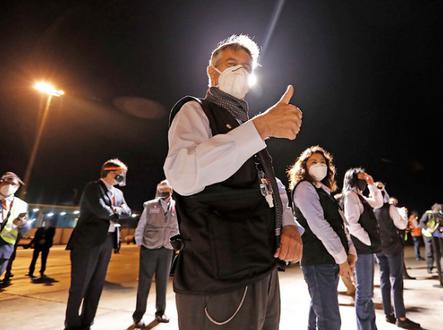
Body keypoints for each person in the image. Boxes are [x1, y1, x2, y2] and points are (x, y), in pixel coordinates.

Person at [163, 34, 303, 329]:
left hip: (261, 269)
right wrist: (261, 127)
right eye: (231, 64)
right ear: (212, 71)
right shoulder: (196, 111)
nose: (241, 71)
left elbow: (269, 183)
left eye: (247, 67)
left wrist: (289, 224)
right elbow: (183, 176)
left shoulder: (246, 128)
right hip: (219, 277)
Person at [288, 146, 357, 330]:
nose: (319, 165)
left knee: (319, 310)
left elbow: (340, 224)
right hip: (318, 261)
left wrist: (350, 250)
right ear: (304, 167)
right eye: (313, 162)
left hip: (329, 260)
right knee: (330, 320)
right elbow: (319, 226)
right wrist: (342, 258)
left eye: (322, 162)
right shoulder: (304, 188)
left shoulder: (324, 191)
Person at [64, 159, 132, 330]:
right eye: (121, 173)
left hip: (107, 242)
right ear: (111, 172)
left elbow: (128, 212)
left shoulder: (118, 193)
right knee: (80, 285)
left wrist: (115, 211)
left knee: (96, 284)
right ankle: (72, 324)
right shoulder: (93, 188)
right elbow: (101, 210)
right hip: (87, 243)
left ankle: (87, 322)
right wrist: (118, 211)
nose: (123, 177)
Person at [132, 180, 179, 328]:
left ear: (171, 190)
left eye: (167, 188)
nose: (164, 191)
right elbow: (141, 225)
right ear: (159, 189)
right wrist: (140, 242)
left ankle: (160, 312)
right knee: (144, 283)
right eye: (162, 188)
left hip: (166, 248)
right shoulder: (150, 205)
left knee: (162, 282)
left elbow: (177, 226)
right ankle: (138, 315)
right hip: (149, 247)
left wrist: (176, 244)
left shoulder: (176, 206)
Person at [373, 185, 421, 329]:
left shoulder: (370, 209)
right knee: (396, 281)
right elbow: (401, 225)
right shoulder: (390, 208)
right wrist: (403, 214)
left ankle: (388, 314)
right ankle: (401, 317)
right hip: (393, 248)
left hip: (379, 248)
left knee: (384, 279)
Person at [342, 168, 383, 330]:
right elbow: (352, 224)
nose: (364, 181)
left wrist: (372, 185)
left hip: (366, 248)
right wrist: (368, 241)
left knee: (367, 293)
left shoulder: (359, 196)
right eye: (360, 178)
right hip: (361, 248)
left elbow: (378, 203)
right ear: (351, 179)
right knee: (364, 293)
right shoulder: (350, 196)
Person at [0, 172, 29, 285]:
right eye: (7, 181)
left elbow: (25, 228)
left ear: (17, 187)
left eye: (14, 184)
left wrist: (22, 224)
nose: (10, 185)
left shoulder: (22, 205)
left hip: (5, 248)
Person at [27, 214, 56, 278]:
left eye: (48, 221)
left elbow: (51, 237)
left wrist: (45, 240)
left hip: (46, 246)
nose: (46, 222)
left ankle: (42, 271)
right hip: (38, 246)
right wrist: (30, 244)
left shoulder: (52, 229)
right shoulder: (40, 229)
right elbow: (36, 237)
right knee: (34, 259)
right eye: (46, 221)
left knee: (44, 259)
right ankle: (31, 271)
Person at [418, 204, 441, 274]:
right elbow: (421, 222)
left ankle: (439, 268)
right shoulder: (427, 214)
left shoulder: (439, 214)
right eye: (438, 209)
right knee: (429, 251)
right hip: (427, 234)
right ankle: (429, 267)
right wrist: (427, 229)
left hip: (435, 234)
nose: (438, 211)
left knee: (437, 251)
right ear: (434, 209)